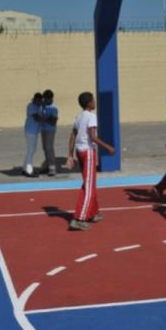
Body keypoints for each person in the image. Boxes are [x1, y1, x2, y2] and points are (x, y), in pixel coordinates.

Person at [64, 92, 116, 230]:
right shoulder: (91, 117)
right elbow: (93, 137)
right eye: (93, 100)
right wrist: (108, 147)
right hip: (88, 152)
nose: (95, 102)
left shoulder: (79, 117)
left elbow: (72, 136)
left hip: (79, 151)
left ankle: (93, 212)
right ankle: (79, 218)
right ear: (89, 103)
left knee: (89, 183)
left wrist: (69, 155)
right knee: (89, 186)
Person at [22, 92, 43, 177]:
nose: (39, 102)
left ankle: (24, 168)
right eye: (38, 100)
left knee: (32, 150)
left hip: (35, 131)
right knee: (31, 150)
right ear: (34, 99)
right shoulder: (30, 106)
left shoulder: (39, 107)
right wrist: (47, 119)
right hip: (30, 131)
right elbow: (37, 118)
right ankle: (29, 170)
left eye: (40, 100)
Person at [39, 89, 59, 176]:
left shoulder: (53, 108)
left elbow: (53, 122)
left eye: (47, 99)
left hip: (50, 130)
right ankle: (47, 165)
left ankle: (52, 168)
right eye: (45, 99)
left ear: (51, 98)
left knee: (49, 148)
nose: (46, 101)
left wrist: (44, 119)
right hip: (43, 129)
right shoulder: (43, 104)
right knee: (44, 147)